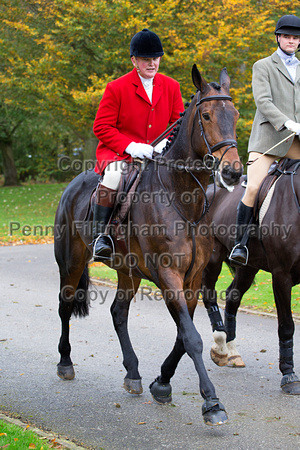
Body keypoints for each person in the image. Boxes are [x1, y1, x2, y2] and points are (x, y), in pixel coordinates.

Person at [92, 29, 184, 261]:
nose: (152, 63)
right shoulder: (117, 87)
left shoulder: (171, 86)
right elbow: (101, 127)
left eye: (155, 58)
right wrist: (131, 146)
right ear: (134, 61)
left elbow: (177, 122)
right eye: (146, 59)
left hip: (158, 155)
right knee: (113, 176)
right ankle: (101, 236)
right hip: (120, 155)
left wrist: (166, 142)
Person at [229, 14, 300, 266]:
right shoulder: (263, 66)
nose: (291, 41)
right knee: (253, 187)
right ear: (278, 38)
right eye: (287, 36)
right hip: (269, 139)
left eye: (295, 37)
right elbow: (263, 101)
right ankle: (240, 244)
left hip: (296, 141)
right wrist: (287, 122)